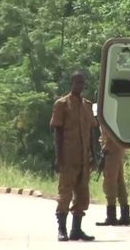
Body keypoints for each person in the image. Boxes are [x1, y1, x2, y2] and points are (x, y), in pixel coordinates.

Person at [50, 72, 97, 242]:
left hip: (84, 158)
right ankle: (62, 229)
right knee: (65, 194)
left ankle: (76, 229)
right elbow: (57, 133)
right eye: (77, 82)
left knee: (83, 195)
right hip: (68, 157)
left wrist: (94, 155)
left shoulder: (87, 105)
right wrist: (58, 157)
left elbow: (91, 132)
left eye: (82, 83)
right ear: (72, 83)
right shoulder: (62, 104)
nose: (80, 85)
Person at [95, 131, 130, 226]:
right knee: (119, 182)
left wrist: (105, 147)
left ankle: (111, 216)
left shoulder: (105, 115)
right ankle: (125, 215)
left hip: (111, 148)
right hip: (118, 146)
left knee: (109, 182)